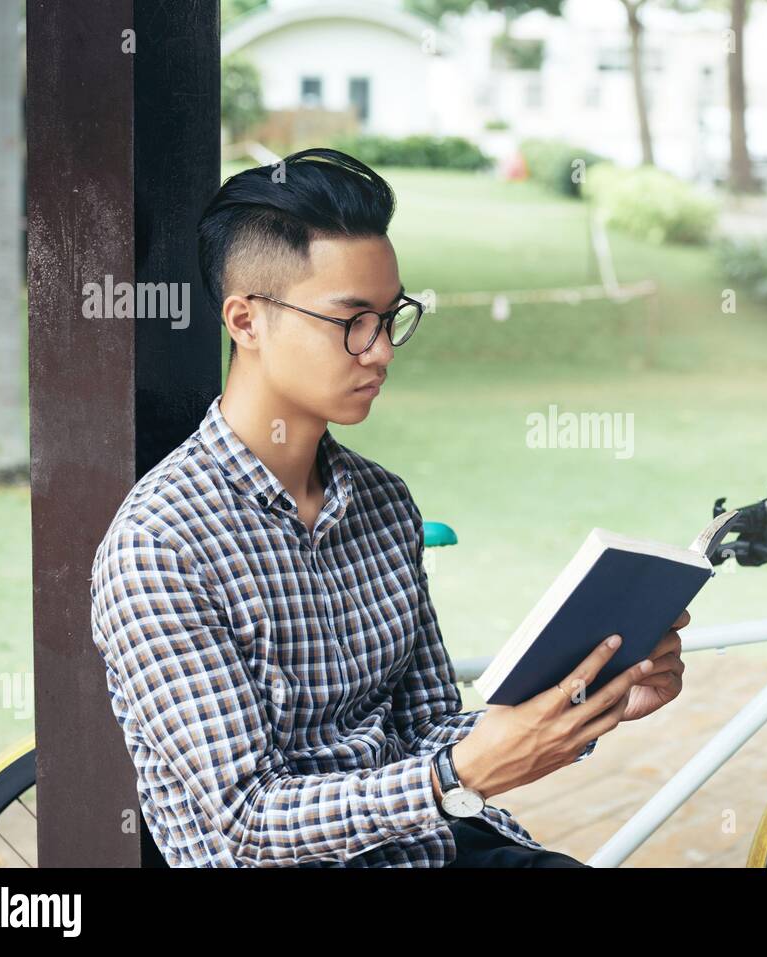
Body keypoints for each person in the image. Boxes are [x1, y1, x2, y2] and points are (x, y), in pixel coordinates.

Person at [88, 147, 689, 868]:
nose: (380, 352)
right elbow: (243, 819)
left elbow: (433, 728)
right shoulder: (161, 546)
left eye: (390, 315)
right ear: (246, 321)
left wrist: (591, 701)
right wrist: (450, 778)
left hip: (429, 850)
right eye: (351, 321)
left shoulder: (382, 502)